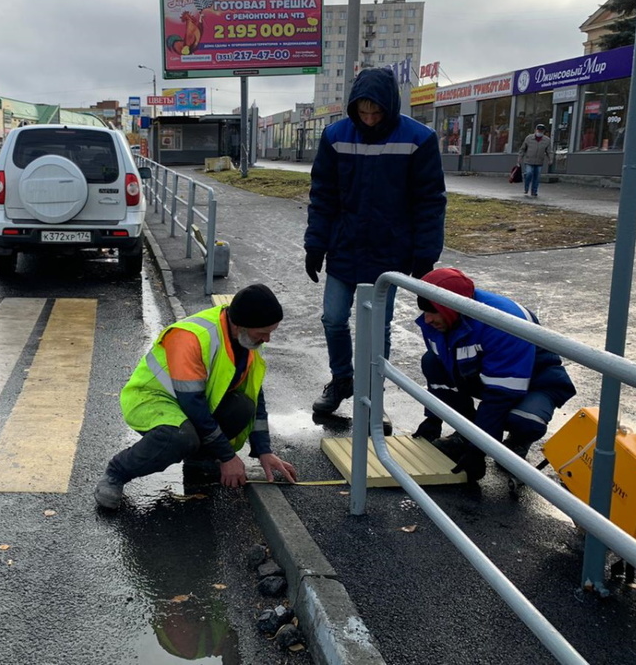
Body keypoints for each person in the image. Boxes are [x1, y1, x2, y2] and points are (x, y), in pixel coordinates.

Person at [304, 67, 446, 416]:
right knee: (333, 319)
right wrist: (315, 244)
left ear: (390, 107)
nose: (369, 119)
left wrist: (425, 256)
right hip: (344, 247)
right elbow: (323, 195)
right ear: (354, 108)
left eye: (376, 112)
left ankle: (372, 397)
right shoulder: (335, 135)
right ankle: (341, 380)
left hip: (389, 251)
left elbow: (430, 200)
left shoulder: (418, 139)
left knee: (376, 328)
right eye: (362, 112)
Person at [94, 284, 298, 510]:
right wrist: (227, 457)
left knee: (243, 406)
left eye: (270, 332)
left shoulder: (246, 341)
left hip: (193, 403)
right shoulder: (192, 337)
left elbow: (255, 398)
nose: (267, 339)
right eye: (262, 333)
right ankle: (116, 473)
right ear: (239, 324)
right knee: (181, 437)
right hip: (152, 400)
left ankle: (200, 462)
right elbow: (193, 406)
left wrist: (264, 451)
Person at [411, 268, 576, 481]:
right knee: (432, 362)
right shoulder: (440, 320)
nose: (427, 319)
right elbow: (442, 367)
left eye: (433, 311)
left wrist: (478, 451)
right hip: (485, 373)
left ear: (449, 306)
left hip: (535, 381)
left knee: (525, 420)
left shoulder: (502, 322)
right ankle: (465, 434)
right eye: (424, 311)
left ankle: (516, 443)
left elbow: (501, 395)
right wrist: (433, 418)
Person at [517, 124, 553, 198]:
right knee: (529, 173)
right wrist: (519, 158)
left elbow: (549, 151)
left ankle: (534, 191)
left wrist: (550, 159)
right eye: (538, 130)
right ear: (535, 130)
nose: (539, 132)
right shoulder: (529, 138)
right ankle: (526, 188)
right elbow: (522, 149)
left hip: (539, 161)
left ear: (543, 131)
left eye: (541, 131)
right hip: (529, 160)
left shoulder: (547, 140)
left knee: (537, 177)